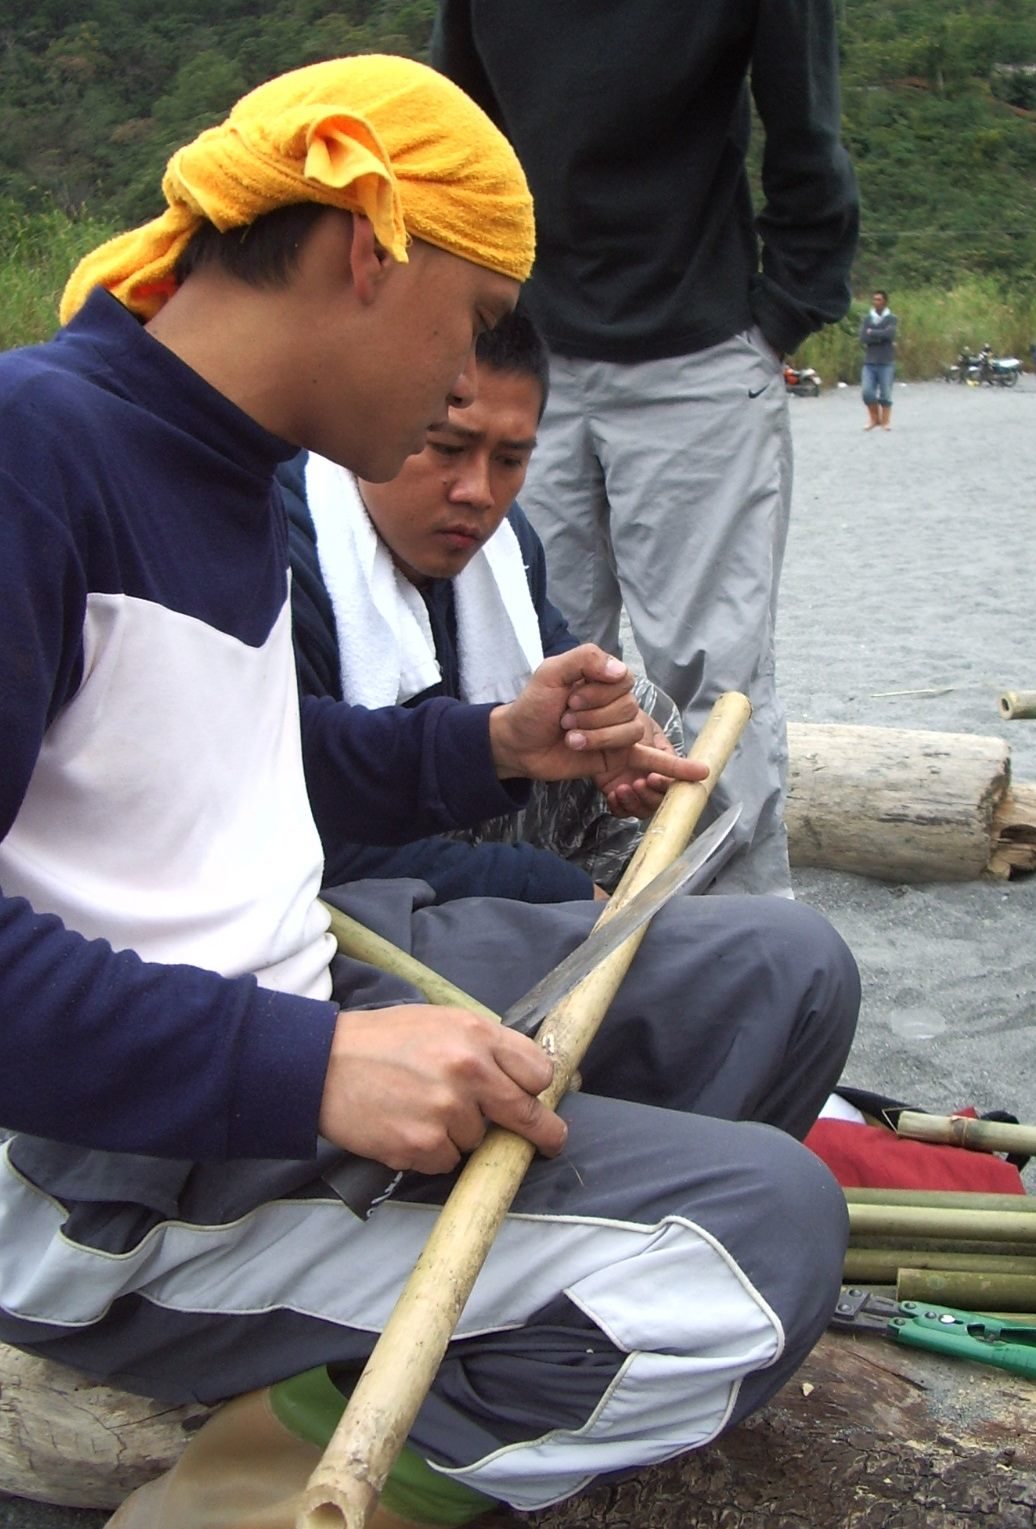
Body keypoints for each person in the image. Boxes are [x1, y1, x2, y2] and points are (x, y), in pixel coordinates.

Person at [0, 54, 860, 1529]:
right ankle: (258, 1482)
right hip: (92, 1168)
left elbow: (225, 768)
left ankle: (431, 1317)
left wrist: (493, 747)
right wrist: (313, 1069)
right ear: (365, 248)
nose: (469, 384)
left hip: (278, 1012)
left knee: (777, 971)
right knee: (761, 1236)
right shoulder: (34, 450)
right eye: (469, 326)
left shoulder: (219, 460)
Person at [432, 2, 860, 898]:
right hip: (526, 344)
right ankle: (558, 933)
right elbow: (453, 122)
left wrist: (778, 318)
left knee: (711, 675)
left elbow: (806, 129)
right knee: (531, 662)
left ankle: (739, 948)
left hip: (698, 355)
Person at [280, 308, 684, 904]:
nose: (479, 493)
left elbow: (560, 659)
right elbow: (302, 831)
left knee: (645, 715)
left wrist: (612, 727)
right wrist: (555, 890)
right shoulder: (285, 552)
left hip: (447, 792)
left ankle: (600, 936)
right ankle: (575, 928)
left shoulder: (504, 543)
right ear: (380, 417)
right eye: (446, 448)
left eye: (510, 460)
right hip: (324, 850)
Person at [860, 289, 897, 430]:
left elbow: (890, 334)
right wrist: (879, 335)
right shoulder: (867, 318)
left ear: (885, 302)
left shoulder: (891, 318)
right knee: (867, 392)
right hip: (869, 361)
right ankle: (874, 418)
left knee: (886, 393)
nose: (876, 302)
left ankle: (885, 421)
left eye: (879, 299)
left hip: (886, 361)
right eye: (874, 299)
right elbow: (863, 337)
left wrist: (873, 332)